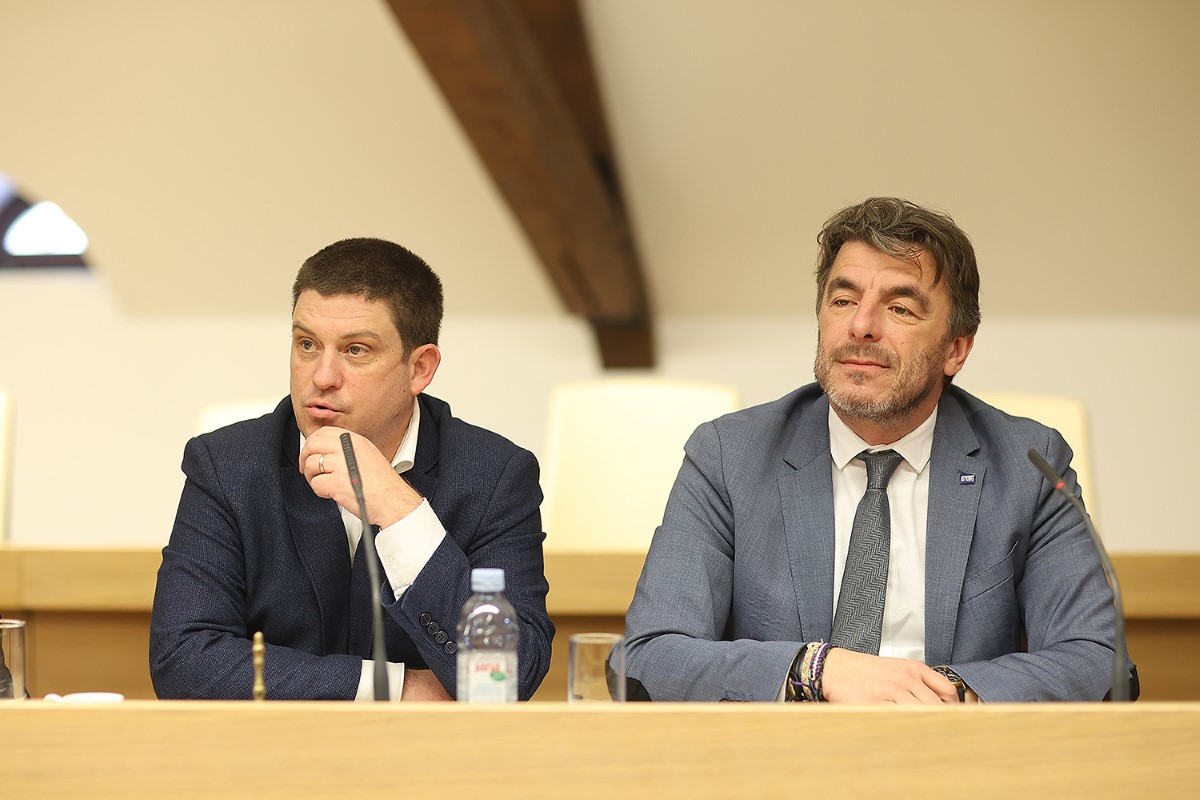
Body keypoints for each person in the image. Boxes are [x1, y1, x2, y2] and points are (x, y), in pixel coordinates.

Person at [624, 197, 1133, 703]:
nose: (861, 325)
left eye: (899, 308)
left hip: (952, 749)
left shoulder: (1029, 465)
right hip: (784, 751)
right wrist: (814, 671)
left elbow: (1098, 661)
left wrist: (938, 696)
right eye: (843, 300)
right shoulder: (729, 456)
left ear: (956, 349)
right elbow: (648, 657)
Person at [151, 238, 553, 701]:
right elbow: (182, 659)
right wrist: (394, 688)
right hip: (275, 744)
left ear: (420, 368)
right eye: (306, 344)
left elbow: (512, 673)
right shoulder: (227, 465)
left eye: (356, 350)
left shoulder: (494, 475)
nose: (322, 377)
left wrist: (402, 512)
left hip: (430, 748)